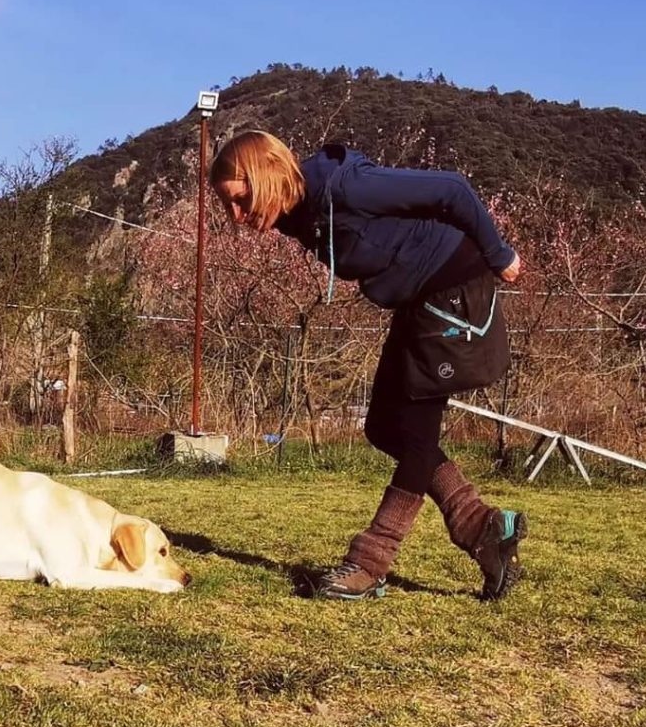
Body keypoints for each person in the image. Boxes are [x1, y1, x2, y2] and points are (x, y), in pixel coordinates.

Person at [209, 130, 527, 601]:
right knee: (382, 426)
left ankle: (371, 562)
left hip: (451, 292)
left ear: (268, 174)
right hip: (417, 299)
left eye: (242, 199)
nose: (237, 216)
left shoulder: (344, 187)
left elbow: (452, 189)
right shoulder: (295, 214)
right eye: (228, 207)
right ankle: (483, 528)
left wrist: (501, 255)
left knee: (417, 435)